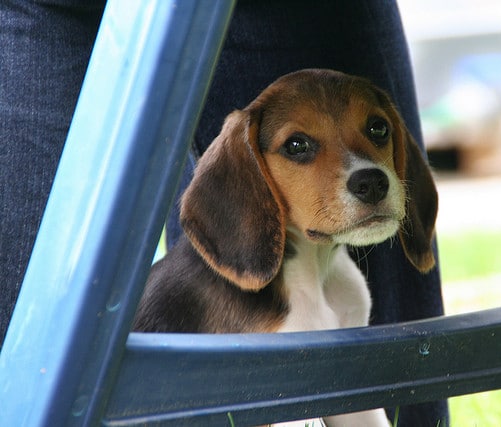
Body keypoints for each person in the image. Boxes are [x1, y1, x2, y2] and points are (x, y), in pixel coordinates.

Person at [0, 1, 448, 425]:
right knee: (28, 352)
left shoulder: (345, 291)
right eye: (298, 146)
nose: (364, 170)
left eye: (375, 130)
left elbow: (358, 407)